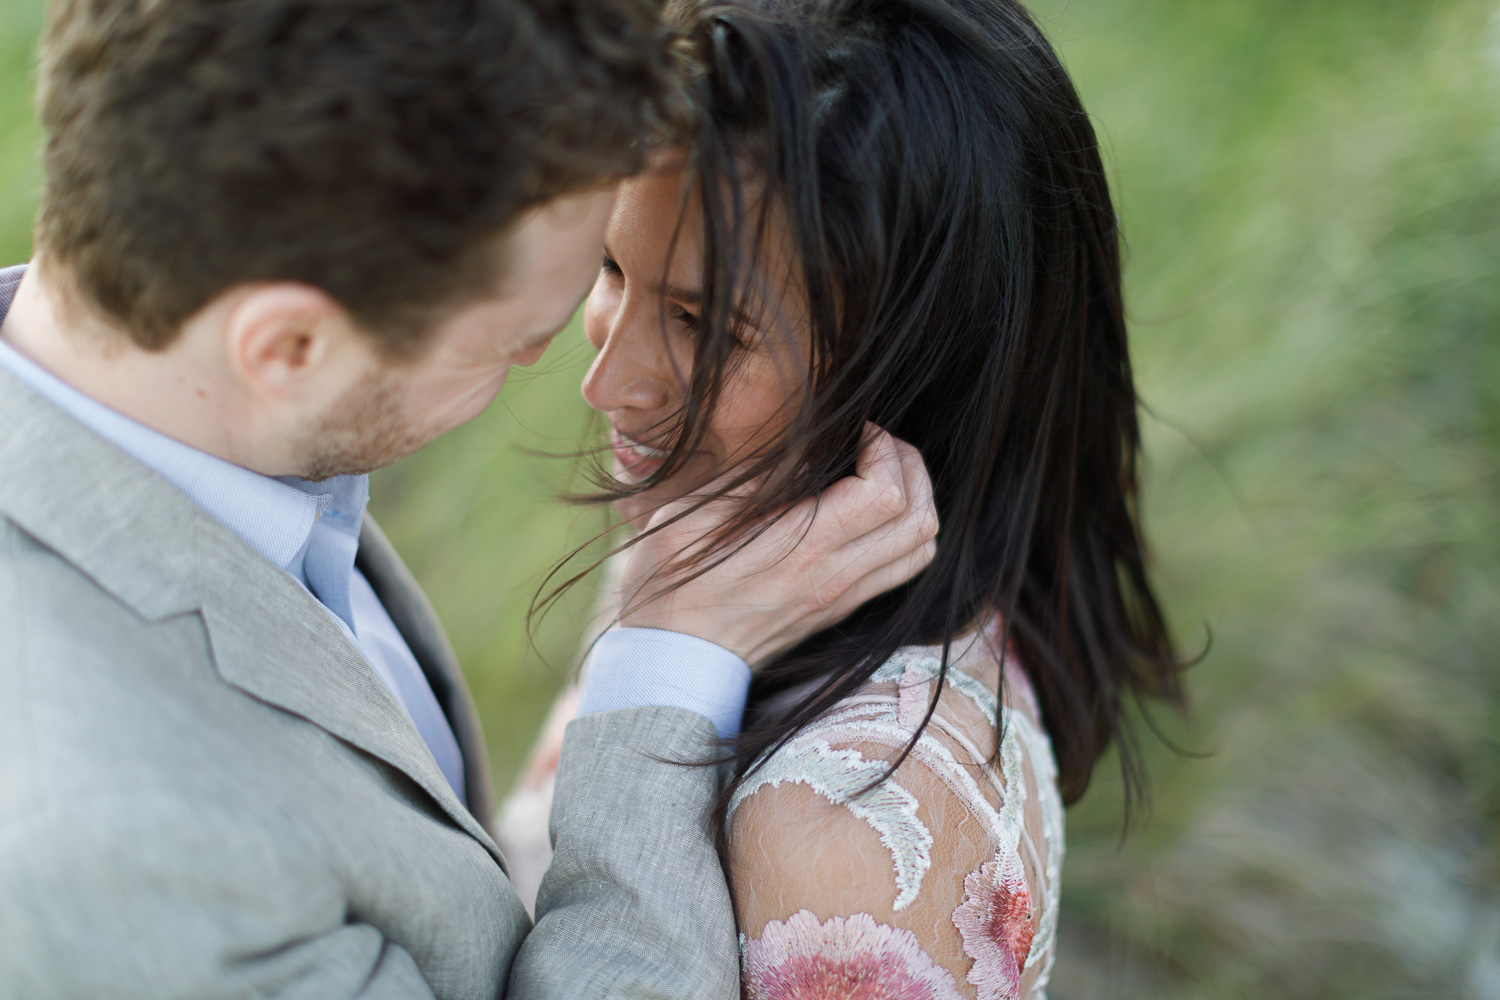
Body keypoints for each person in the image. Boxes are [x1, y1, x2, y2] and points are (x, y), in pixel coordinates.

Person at [0, 0, 940, 997]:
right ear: (287, 349)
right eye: (511, 336)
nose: (573, 366)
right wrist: (668, 671)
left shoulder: (206, 430)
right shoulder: (114, 854)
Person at [500, 0, 1186, 995]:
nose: (606, 382)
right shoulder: (718, 561)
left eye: (700, 323)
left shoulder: (845, 825)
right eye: (612, 268)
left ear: (914, 368)